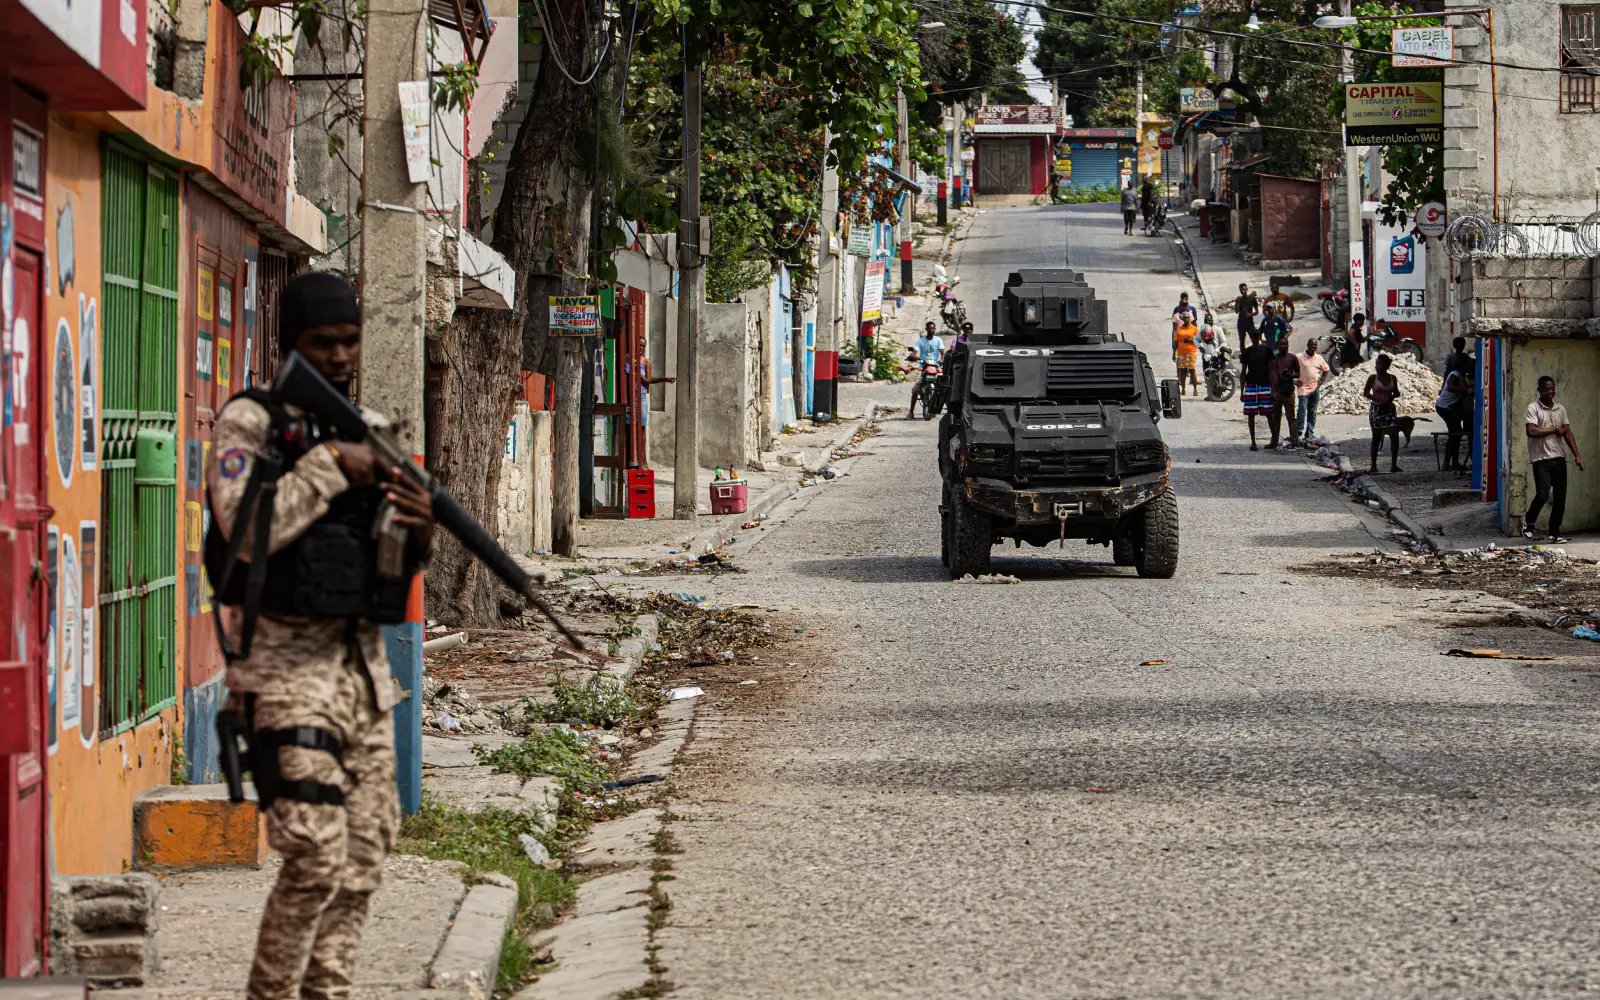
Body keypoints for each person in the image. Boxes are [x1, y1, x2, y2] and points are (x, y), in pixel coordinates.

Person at [208, 272, 436, 1000]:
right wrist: (332, 466)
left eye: (349, 342)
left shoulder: (368, 426)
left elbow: (385, 566)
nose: (340, 356)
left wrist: (413, 526)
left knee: (365, 857)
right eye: (323, 343)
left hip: (361, 671)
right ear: (292, 346)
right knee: (312, 855)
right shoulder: (253, 424)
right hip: (283, 670)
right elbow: (247, 535)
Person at [1522, 375, 1585, 542]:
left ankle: (1554, 533)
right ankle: (1529, 521)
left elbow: (1567, 433)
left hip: (1559, 458)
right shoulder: (1533, 408)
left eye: (1552, 388)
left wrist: (1577, 455)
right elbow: (1531, 431)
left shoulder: (1560, 409)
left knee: (1560, 497)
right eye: (1546, 389)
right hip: (1541, 459)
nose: (1550, 391)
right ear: (1539, 390)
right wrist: (1553, 429)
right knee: (1542, 494)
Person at [1362, 352, 1403, 473]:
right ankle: (1373, 466)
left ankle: (1394, 465)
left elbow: (1396, 391)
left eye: (1379, 364)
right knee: (1376, 437)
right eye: (1376, 364)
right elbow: (1366, 393)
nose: (1377, 367)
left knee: (1394, 436)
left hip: (1389, 409)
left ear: (1386, 366)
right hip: (1377, 409)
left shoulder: (1392, 378)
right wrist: (1379, 399)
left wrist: (1394, 396)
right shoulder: (1372, 378)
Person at [1239, 328, 1274, 450]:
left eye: (1257, 336)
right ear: (1251, 337)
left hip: (1264, 385)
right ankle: (1253, 442)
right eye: (1254, 336)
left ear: (1260, 337)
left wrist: (1272, 388)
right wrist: (1242, 390)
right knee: (1251, 415)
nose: (1255, 338)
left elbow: (1271, 371)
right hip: (1251, 385)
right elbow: (1243, 372)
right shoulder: (1247, 352)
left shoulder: (1267, 351)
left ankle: (1273, 440)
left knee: (1269, 414)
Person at [1435, 364, 1472, 472]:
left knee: (1456, 434)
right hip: (1445, 407)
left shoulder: (1460, 375)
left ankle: (1452, 462)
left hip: (1449, 406)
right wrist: (1465, 390)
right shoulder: (1455, 374)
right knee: (1455, 433)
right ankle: (1449, 463)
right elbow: (1451, 387)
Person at [1294, 336, 1331, 442]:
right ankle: (1299, 432)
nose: (1313, 347)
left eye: (1315, 345)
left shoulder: (1319, 358)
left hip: (1315, 389)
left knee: (1312, 412)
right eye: (1311, 345)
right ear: (1307, 345)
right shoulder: (1299, 356)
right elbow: (1290, 368)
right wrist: (1294, 381)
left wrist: (1320, 382)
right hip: (1303, 389)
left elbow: (1326, 369)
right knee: (1302, 410)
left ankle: (1309, 433)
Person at [1269, 338, 1302, 449]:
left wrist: (1289, 374)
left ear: (1288, 345)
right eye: (1280, 344)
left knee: (1291, 417)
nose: (1283, 346)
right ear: (1278, 345)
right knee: (1276, 418)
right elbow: (1271, 375)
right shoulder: (1274, 359)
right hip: (1277, 392)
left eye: (1285, 344)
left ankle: (1295, 440)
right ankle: (1274, 441)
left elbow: (1298, 373)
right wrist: (1273, 391)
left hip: (1289, 392)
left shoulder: (1293, 358)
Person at [1172, 314, 1200, 396]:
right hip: (1181, 353)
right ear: (1183, 319)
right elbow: (1176, 342)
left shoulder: (1194, 329)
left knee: (1192, 371)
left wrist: (1191, 340)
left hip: (1191, 352)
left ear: (1190, 319)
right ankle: (1183, 389)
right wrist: (1174, 353)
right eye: (1185, 318)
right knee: (1183, 371)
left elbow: (1198, 341)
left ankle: (1195, 389)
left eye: (1188, 317)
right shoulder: (1179, 329)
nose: (1187, 319)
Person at [1234, 282, 1259, 355]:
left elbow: (1257, 311)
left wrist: (1250, 314)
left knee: (1254, 338)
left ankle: (1256, 353)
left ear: (1247, 289)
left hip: (1249, 323)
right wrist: (1237, 302)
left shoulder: (1252, 298)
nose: (1243, 291)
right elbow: (1236, 311)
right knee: (1242, 341)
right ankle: (1244, 356)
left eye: (1244, 289)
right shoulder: (1239, 299)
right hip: (1241, 323)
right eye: (1241, 290)